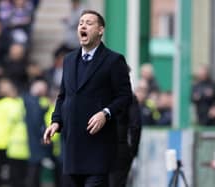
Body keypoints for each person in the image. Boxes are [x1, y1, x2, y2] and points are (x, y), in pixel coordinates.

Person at [43, 10, 132, 187]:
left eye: (89, 23)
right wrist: (56, 121)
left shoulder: (113, 60)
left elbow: (125, 97)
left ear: (100, 30)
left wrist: (105, 113)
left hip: (98, 148)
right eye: (80, 23)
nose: (83, 26)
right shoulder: (68, 60)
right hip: (72, 148)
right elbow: (63, 96)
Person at [108, 94, 142, 187]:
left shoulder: (98, 94)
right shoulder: (129, 97)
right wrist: (133, 150)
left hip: (98, 150)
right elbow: (136, 125)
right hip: (120, 148)